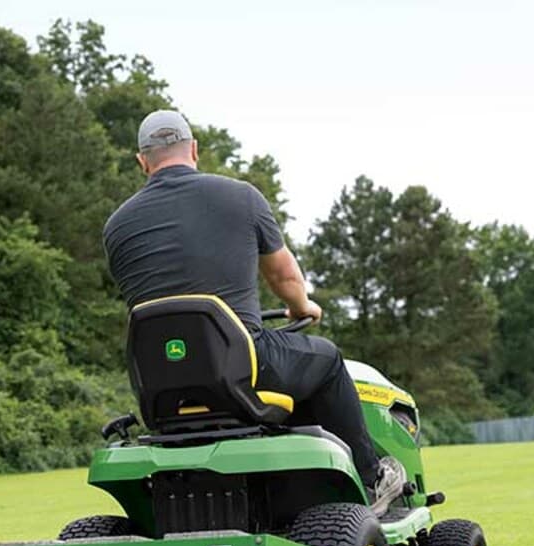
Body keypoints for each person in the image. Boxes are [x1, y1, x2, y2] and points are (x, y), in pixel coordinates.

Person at [103, 109, 397, 503]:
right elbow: (284, 278)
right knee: (325, 360)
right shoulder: (241, 197)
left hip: (159, 385)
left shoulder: (117, 225)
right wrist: (301, 307)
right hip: (241, 367)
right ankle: (371, 479)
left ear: (142, 161)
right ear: (194, 149)